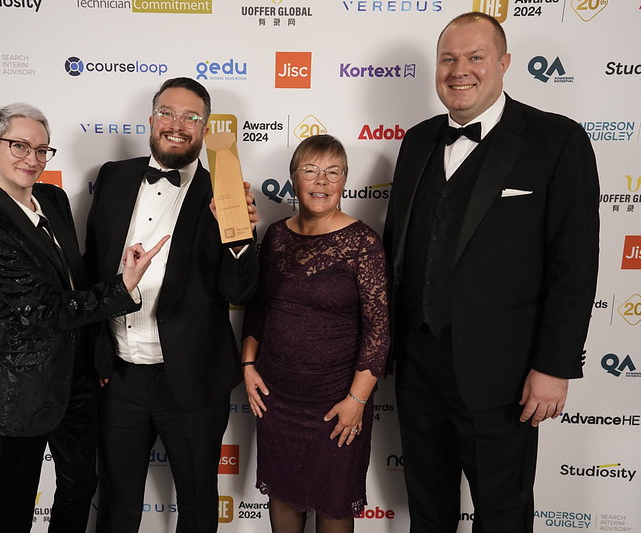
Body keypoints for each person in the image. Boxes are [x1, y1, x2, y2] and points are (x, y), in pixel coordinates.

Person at [383, 12, 600, 533]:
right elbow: (400, 250)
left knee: (502, 517)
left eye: (476, 57)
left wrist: (554, 367)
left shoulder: (557, 140)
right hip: (417, 371)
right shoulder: (416, 142)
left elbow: (576, 266)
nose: (460, 70)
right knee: (428, 514)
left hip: (505, 376)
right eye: (449, 59)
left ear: (503, 64)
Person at [0, 103, 167, 533]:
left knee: (80, 484)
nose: (31, 159)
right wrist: (123, 287)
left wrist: (97, 355)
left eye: (41, 150)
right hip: (23, 385)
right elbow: (43, 312)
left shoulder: (53, 199)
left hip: (77, 378)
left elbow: (74, 279)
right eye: (19, 146)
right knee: (15, 498)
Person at [83, 77, 259, 533]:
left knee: (198, 501)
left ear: (204, 129)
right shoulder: (113, 177)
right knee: (117, 501)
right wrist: (95, 353)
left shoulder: (224, 191)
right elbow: (90, 271)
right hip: (120, 376)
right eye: (167, 112)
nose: (177, 124)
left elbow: (239, 292)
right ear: (152, 118)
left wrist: (238, 237)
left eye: (191, 117)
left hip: (194, 379)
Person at [241, 134, 390, 533]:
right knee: (284, 500)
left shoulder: (363, 243)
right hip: (277, 400)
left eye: (333, 172)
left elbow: (379, 331)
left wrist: (356, 401)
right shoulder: (274, 235)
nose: (321, 181)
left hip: (337, 405)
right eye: (310, 170)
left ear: (344, 181)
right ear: (294, 179)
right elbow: (258, 307)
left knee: (334, 507)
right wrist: (248, 363)